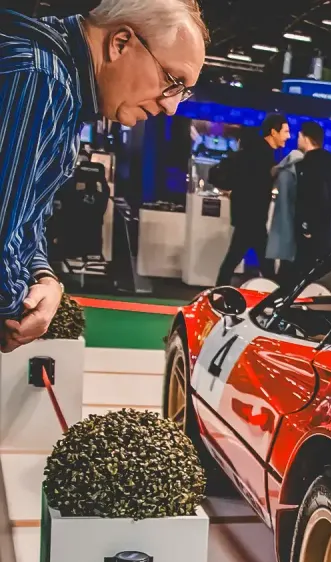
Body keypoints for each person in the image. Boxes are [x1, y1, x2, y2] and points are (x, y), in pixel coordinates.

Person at [0, 0, 206, 351]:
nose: (171, 106)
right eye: (172, 81)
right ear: (120, 43)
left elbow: (26, 218)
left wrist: (43, 277)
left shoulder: (59, 84)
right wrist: (17, 309)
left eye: (182, 93)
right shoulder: (42, 78)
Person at [213, 114, 288, 285]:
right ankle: (274, 294)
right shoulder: (260, 154)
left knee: (237, 259)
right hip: (252, 218)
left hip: (250, 218)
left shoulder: (259, 151)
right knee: (255, 262)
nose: (288, 136)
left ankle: (219, 291)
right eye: (285, 131)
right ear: (273, 132)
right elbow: (254, 186)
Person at [293, 121, 331, 268]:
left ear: (306, 138)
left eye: (299, 136)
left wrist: (306, 226)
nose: (297, 140)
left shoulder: (308, 164)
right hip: (330, 229)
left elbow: (311, 196)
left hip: (311, 231)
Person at [265, 147, 303, 281]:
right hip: (292, 219)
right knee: (289, 262)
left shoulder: (281, 171)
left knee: (282, 260)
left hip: (280, 217)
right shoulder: (296, 173)